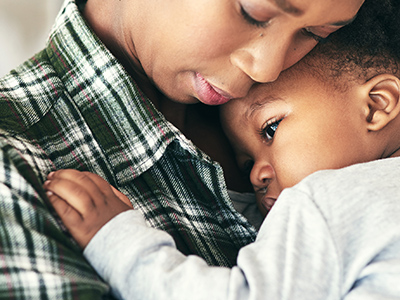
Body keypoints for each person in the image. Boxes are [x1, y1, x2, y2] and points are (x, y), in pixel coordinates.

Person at [0, 0, 365, 298]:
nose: (267, 68)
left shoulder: (348, 96)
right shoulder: (13, 167)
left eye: (316, 33)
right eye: (254, 13)